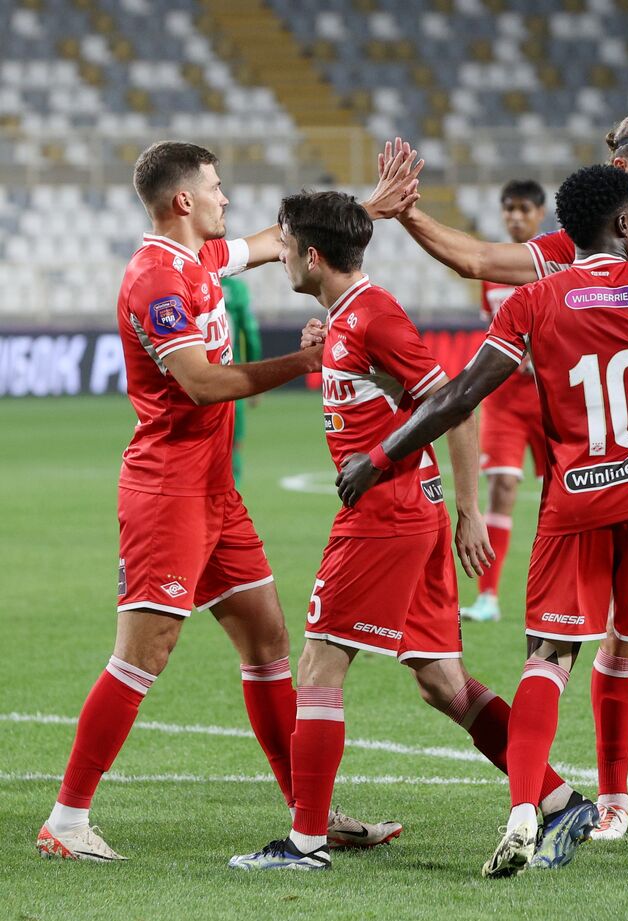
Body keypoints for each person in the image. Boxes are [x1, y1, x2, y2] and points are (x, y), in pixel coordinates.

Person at [337, 103, 628, 875]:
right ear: (623, 211)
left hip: (575, 501)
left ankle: (526, 808)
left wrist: (380, 457)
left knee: (547, 661)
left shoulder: (534, 298)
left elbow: (453, 398)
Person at [37, 140, 418, 861]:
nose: (226, 198)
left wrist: (367, 208)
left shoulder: (199, 259)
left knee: (268, 642)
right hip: (166, 491)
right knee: (143, 655)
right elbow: (201, 384)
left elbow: (281, 243)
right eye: (215, 188)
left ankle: (311, 815)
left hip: (215, 492)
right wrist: (303, 361)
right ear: (184, 201)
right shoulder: (154, 278)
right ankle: (67, 818)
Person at [229, 191, 596, 872]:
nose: (277, 254)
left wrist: (465, 509)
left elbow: (454, 407)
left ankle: (305, 844)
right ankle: (558, 798)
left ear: (311, 256)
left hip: (384, 517)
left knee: (318, 666)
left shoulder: (374, 316)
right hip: (405, 513)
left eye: (283, 244)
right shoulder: (345, 318)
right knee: (441, 682)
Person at [463, 179, 549, 623]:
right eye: (508, 209)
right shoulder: (492, 268)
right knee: (501, 486)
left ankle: (566, 592)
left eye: (523, 209)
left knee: (567, 492)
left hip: (552, 395)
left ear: (539, 213)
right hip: (505, 398)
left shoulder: (558, 261)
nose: (515, 217)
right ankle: (489, 598)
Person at [221, 274, 262, 486]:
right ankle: (229, 501)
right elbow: (251, 334)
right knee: (233, 447)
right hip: (232, 380)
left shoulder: (189, 281)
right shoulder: (236, 290)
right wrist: (254, 382)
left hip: (195, 378)